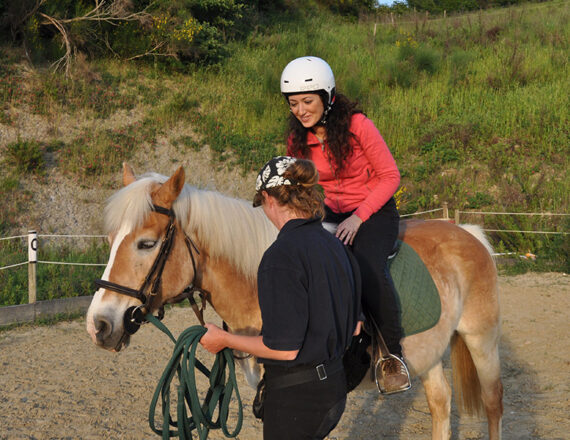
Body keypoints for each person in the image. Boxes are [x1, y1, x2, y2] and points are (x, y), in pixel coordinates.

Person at [200, 156, 362, 440]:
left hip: (298, 399)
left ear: (268, 198)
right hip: (334, 387)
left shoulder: (281, 256)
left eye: (261, 205)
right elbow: (354, 325)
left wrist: (224, 339)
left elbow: (285, 350)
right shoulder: (334, 245)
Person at [280, 56, 411, 393]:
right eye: (293, 103)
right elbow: (302, 184)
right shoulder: (297, 138)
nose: (300, 110)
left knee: (366, 268)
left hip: (373, 210)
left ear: (328, 96)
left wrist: (359, 216)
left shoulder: (359, 126)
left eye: (308, 101)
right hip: (329, 213)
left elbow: (390, 177)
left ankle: (391, 355)